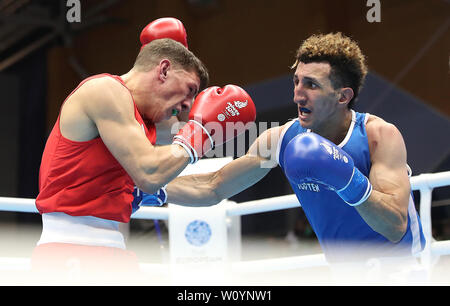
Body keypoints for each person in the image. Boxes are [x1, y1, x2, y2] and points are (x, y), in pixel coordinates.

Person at [165, 32, 426, 265]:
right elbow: (214, 185)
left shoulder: (378, 136)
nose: (298, 95)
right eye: (296, 81)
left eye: (311, 85)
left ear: (343, 96)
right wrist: (149, 189)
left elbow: (395, 226)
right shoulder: (280, 140)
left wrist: (348, 179)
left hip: (400, 270)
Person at [31, 18, 256, 280]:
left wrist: (269, 155)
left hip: (112, 251)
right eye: (189, 90)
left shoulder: (142, 126)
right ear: (163, 70)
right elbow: (150, 174)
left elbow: (211, 187)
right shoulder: (104, 91)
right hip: (70, 253)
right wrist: (201, 131)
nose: (188, 105)